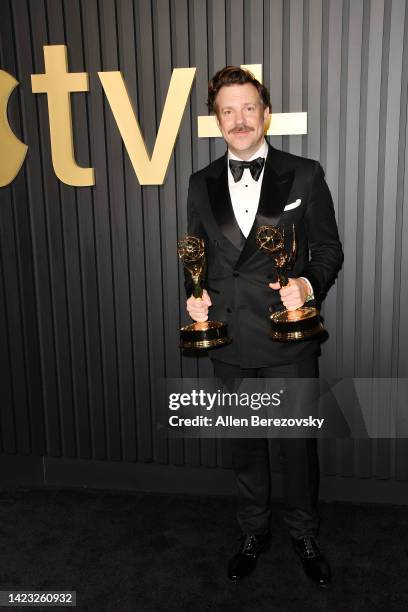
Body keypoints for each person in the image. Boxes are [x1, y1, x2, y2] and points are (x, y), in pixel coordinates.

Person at [185, 66, 343, 588]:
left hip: (288, 338)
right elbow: (196, 259)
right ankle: (253, 530)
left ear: (266, 113)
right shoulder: (200, 183)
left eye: (248, 107)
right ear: (217, 121)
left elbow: (328, 249)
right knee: (246, 445)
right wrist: (195, 299)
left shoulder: (303, 174)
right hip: (229, 340)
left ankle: (302, 531)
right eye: (227, 111)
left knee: (296, 448)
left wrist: (308, 286)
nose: (239, 119)